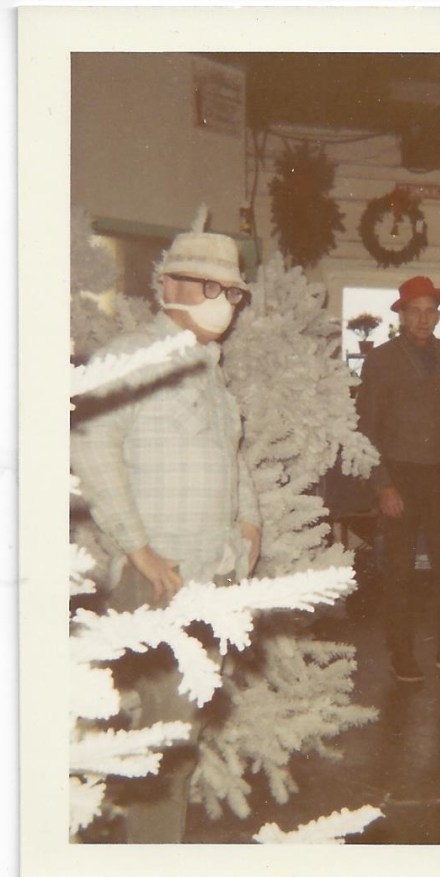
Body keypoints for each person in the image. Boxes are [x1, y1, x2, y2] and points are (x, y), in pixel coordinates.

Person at [70, 218, 261, 842]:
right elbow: (92, 450)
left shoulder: (209, 367)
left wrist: (249, 524)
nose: (225, 304)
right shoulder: (130, 357)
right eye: (210, 288)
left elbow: (231, 456)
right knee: (165, 743)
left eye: (234, 293)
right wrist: (139, 549)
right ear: (169, 285)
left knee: (179, 735)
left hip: (209, 576)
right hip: (160, 582)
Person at [356, 275, 440, 683]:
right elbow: (366, 429)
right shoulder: (381, 359)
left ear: (438, 316)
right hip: (400, 477)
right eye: (416, 311)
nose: (424, 319)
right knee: (399, 571)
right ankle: (401, 655)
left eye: (430, 311)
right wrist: (383, 485)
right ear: (402, 315)